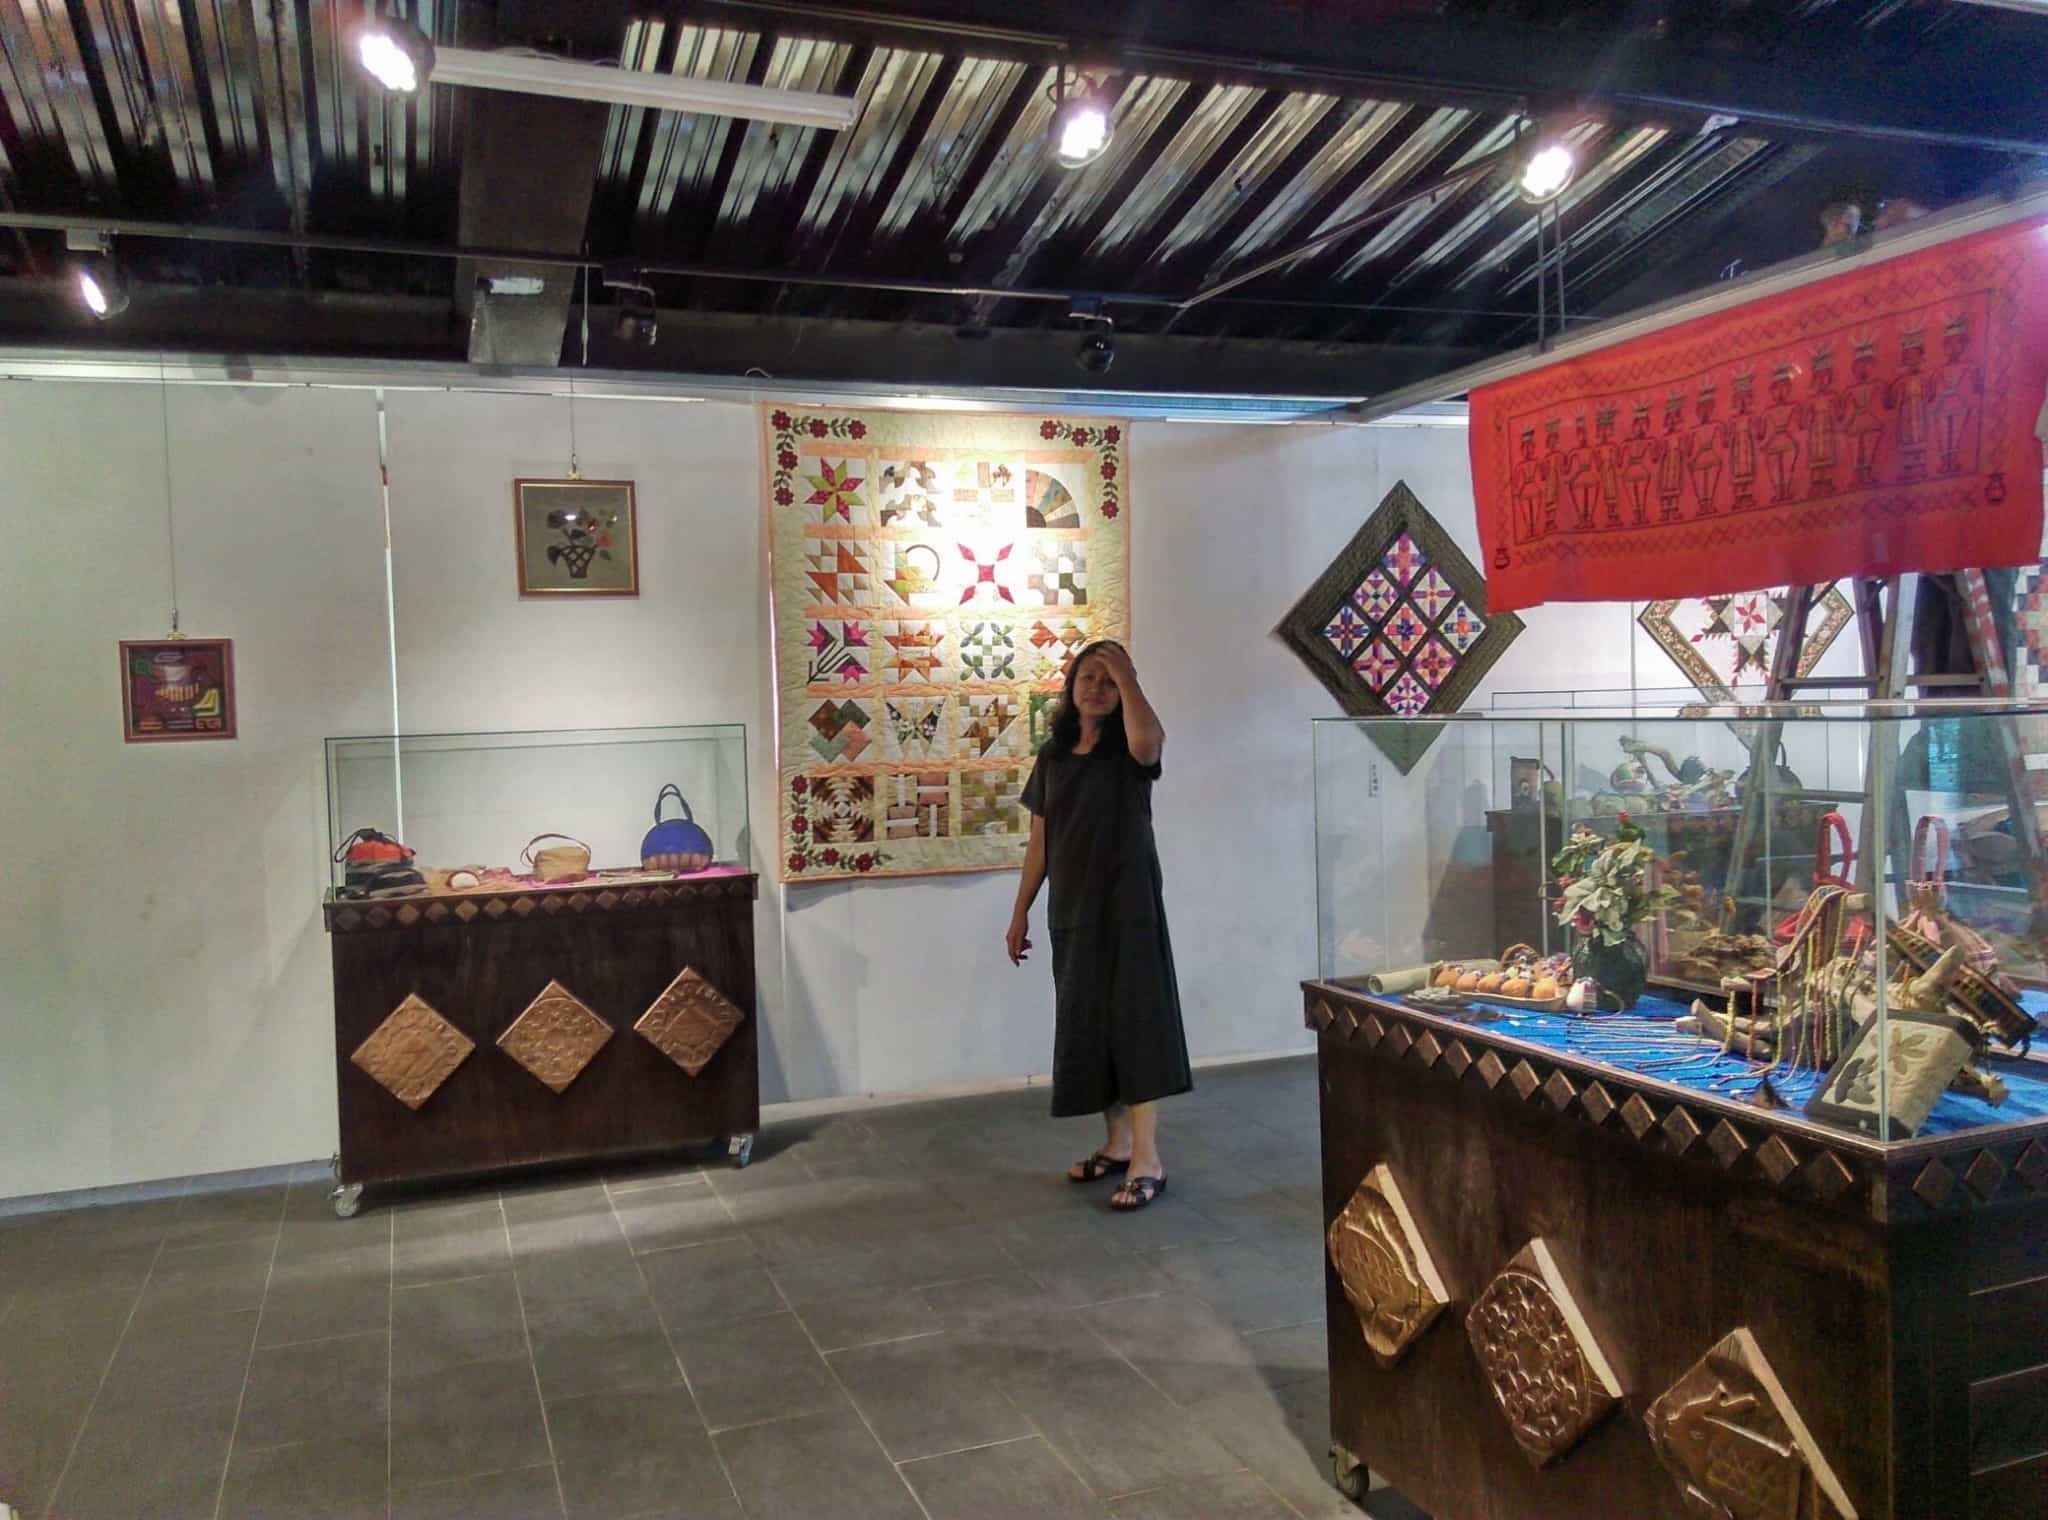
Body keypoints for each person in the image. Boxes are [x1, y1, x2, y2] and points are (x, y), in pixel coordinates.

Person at [1006, 639, 1191, 1211]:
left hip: (1129, 907)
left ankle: (1148, 1159)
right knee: (1090, 1024)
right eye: (1089, 677)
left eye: (1109, 681)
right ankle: (1117, 1144)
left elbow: (1150, 740)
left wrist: (1127, 676)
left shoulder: (1131, 751)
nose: (1097, 689)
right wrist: (1020, 911)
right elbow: (1040, 843)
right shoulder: (1054, 756)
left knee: (1136, 1023)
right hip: (1073, 909)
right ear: (1071, 686)